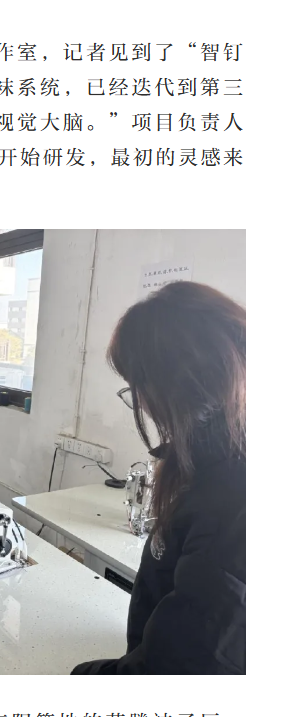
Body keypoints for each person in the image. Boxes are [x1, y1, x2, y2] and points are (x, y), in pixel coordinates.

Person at [73, 279, 246, 675]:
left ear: (176, 387)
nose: (143, 405)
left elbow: (177, 667)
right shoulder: (211, 461)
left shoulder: (232, 498)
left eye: (137, 388)